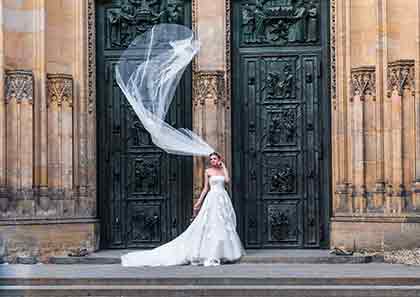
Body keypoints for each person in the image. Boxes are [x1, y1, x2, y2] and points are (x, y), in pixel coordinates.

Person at [121, 152, 246, 267]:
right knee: (210, 223)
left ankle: (224, 252)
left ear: (219, 159)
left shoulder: (222, 171)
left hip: (222, 198)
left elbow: (228, 181)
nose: (212, 161)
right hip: (212, 198)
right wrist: (198, 202)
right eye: (211, 159)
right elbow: (205, 188)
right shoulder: (208, 171)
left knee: (223, 224)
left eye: (215, 159)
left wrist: (223, 166)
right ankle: (210, 252)